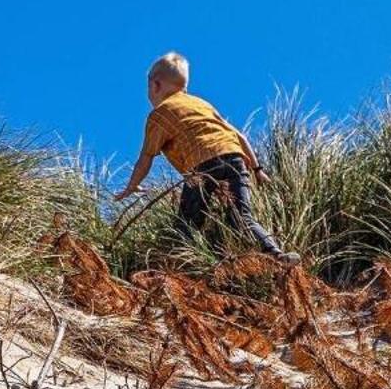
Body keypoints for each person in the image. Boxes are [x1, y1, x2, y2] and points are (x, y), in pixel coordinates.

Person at [113, 52, 296, 263]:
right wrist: (258, 170)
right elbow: (240, 136)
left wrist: (131, 187)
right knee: (242, 217)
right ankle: (276, 254)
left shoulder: (160, 114)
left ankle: (186, 268)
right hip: (234, 157)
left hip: (201, 167)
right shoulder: (201, 104)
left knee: (187, 225)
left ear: (155, 85)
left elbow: (146, 158)